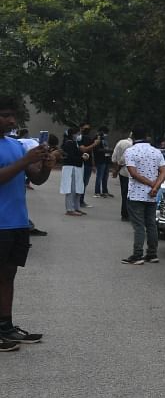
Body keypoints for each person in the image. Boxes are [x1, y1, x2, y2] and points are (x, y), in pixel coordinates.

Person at [0, 95, 53, 351]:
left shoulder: (15, 145)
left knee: (8, 275)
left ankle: (5, 326)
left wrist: (44, 165)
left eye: (13, 115)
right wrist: (24, 160)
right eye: (5, 115)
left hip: (17, 222)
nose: (11, 120)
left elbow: (37, 178)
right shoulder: (20, 151)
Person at [122, 125, 165, 264]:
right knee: (151, 224)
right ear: (146, 135)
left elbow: (133, 174)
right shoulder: (156, 152)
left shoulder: (130, 151)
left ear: (133, 136)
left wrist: (151, 184)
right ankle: (152, 254)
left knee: (139, 225)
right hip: (152, 195)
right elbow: (163, 171)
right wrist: (156, 186)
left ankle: (137, 255)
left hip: (136, 194)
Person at [59, 128, 86, 216]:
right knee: (71, 189)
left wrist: (82, 156)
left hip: (77, 167)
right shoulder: (69, 143)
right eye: (77, 134)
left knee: (78, 189)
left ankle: (76, 207)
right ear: (73, 134)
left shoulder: (75, 143)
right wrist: (82, 158)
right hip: (71, 168)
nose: (79, 136)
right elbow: (71, 157)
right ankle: (70, 209)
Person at [111, 131, 133, 220]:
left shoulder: (120, 142)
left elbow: (114, 158)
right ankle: (128, 214)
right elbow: (123, 160)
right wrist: (117, 169)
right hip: (131, 172)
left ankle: (124, 214)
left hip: (123, 173)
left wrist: (115, 170)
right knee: (131, 194)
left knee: (124, 193)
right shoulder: (132, 146)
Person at [76, 123, 97, 208]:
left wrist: (93, 165)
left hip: (88, 164)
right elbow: (83, 149)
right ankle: (79, 201)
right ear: (81, 128)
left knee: (84, 183)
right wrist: (95, 143)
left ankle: (80, 200)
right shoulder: (79, 138)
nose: (87, 130)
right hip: (81, 163)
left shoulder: (89, 139)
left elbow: (91, 152)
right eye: (85, 128)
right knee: (82, 182)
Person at [92, 126, 112, 198]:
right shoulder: (97, 138)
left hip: (106, 159)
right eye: (105, 133)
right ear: (102, 132)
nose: (106, 134)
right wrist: (107, 150)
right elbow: (96, 149)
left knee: (105, 176)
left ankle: (105, 191)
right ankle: (97, 191)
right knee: (99, 176)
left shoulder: (104, 138)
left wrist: (108, 150)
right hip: (100, 159)